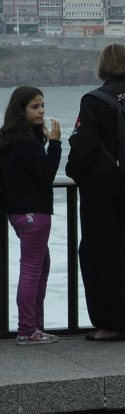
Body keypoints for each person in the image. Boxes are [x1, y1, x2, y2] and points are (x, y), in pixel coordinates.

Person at [67, 44, 125, 342]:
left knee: (96, 254)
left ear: (103, 65)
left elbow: (83, 146)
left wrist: (72, 171)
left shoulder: (93, 100)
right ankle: (123, 317)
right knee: (120, 252)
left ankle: (108, 323)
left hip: (99, 186)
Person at [0, 87, 62, 345]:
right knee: (32, 269)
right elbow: (46, 175)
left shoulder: (9, 139)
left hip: (19, 213)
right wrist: (56, 143)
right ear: (21, 110)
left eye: (43, 106)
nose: (42, 111)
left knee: (39, 266)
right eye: (35, 107)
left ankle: (34, 324)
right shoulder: (26, 143)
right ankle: (27, 329)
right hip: (33, 214)